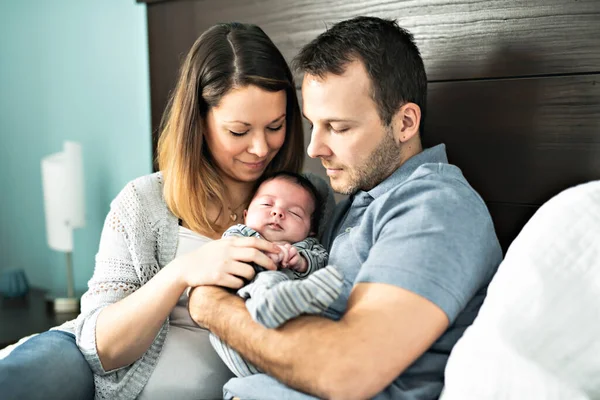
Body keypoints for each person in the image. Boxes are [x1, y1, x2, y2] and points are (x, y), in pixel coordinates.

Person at [0, 22, 334, 400]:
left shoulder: (308, 201)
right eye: (239, 132)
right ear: (199, 123)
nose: (260, 148)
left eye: (275, 126)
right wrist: (180, 273)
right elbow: (100, 348)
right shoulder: (143, 203)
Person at [187, 16, 503, 400]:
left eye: (337, 128)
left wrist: (212, 306)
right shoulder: (353, 203)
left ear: (404, 122)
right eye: (312, 124)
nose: (313, 149)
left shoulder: (434, 207)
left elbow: (347, 372)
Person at [210, 171, 343, 377]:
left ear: (310, 231)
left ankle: (296, 298)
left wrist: (300, 261)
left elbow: (321, 259)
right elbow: (226, 256)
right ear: (246, 215)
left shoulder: (306, 246)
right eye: (266, 205)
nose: (278, 213)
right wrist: (261, 257)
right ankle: (269, 303)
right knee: (268, 279)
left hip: (291, 337)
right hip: (243, 321)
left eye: (295, 213)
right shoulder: (241, 234)